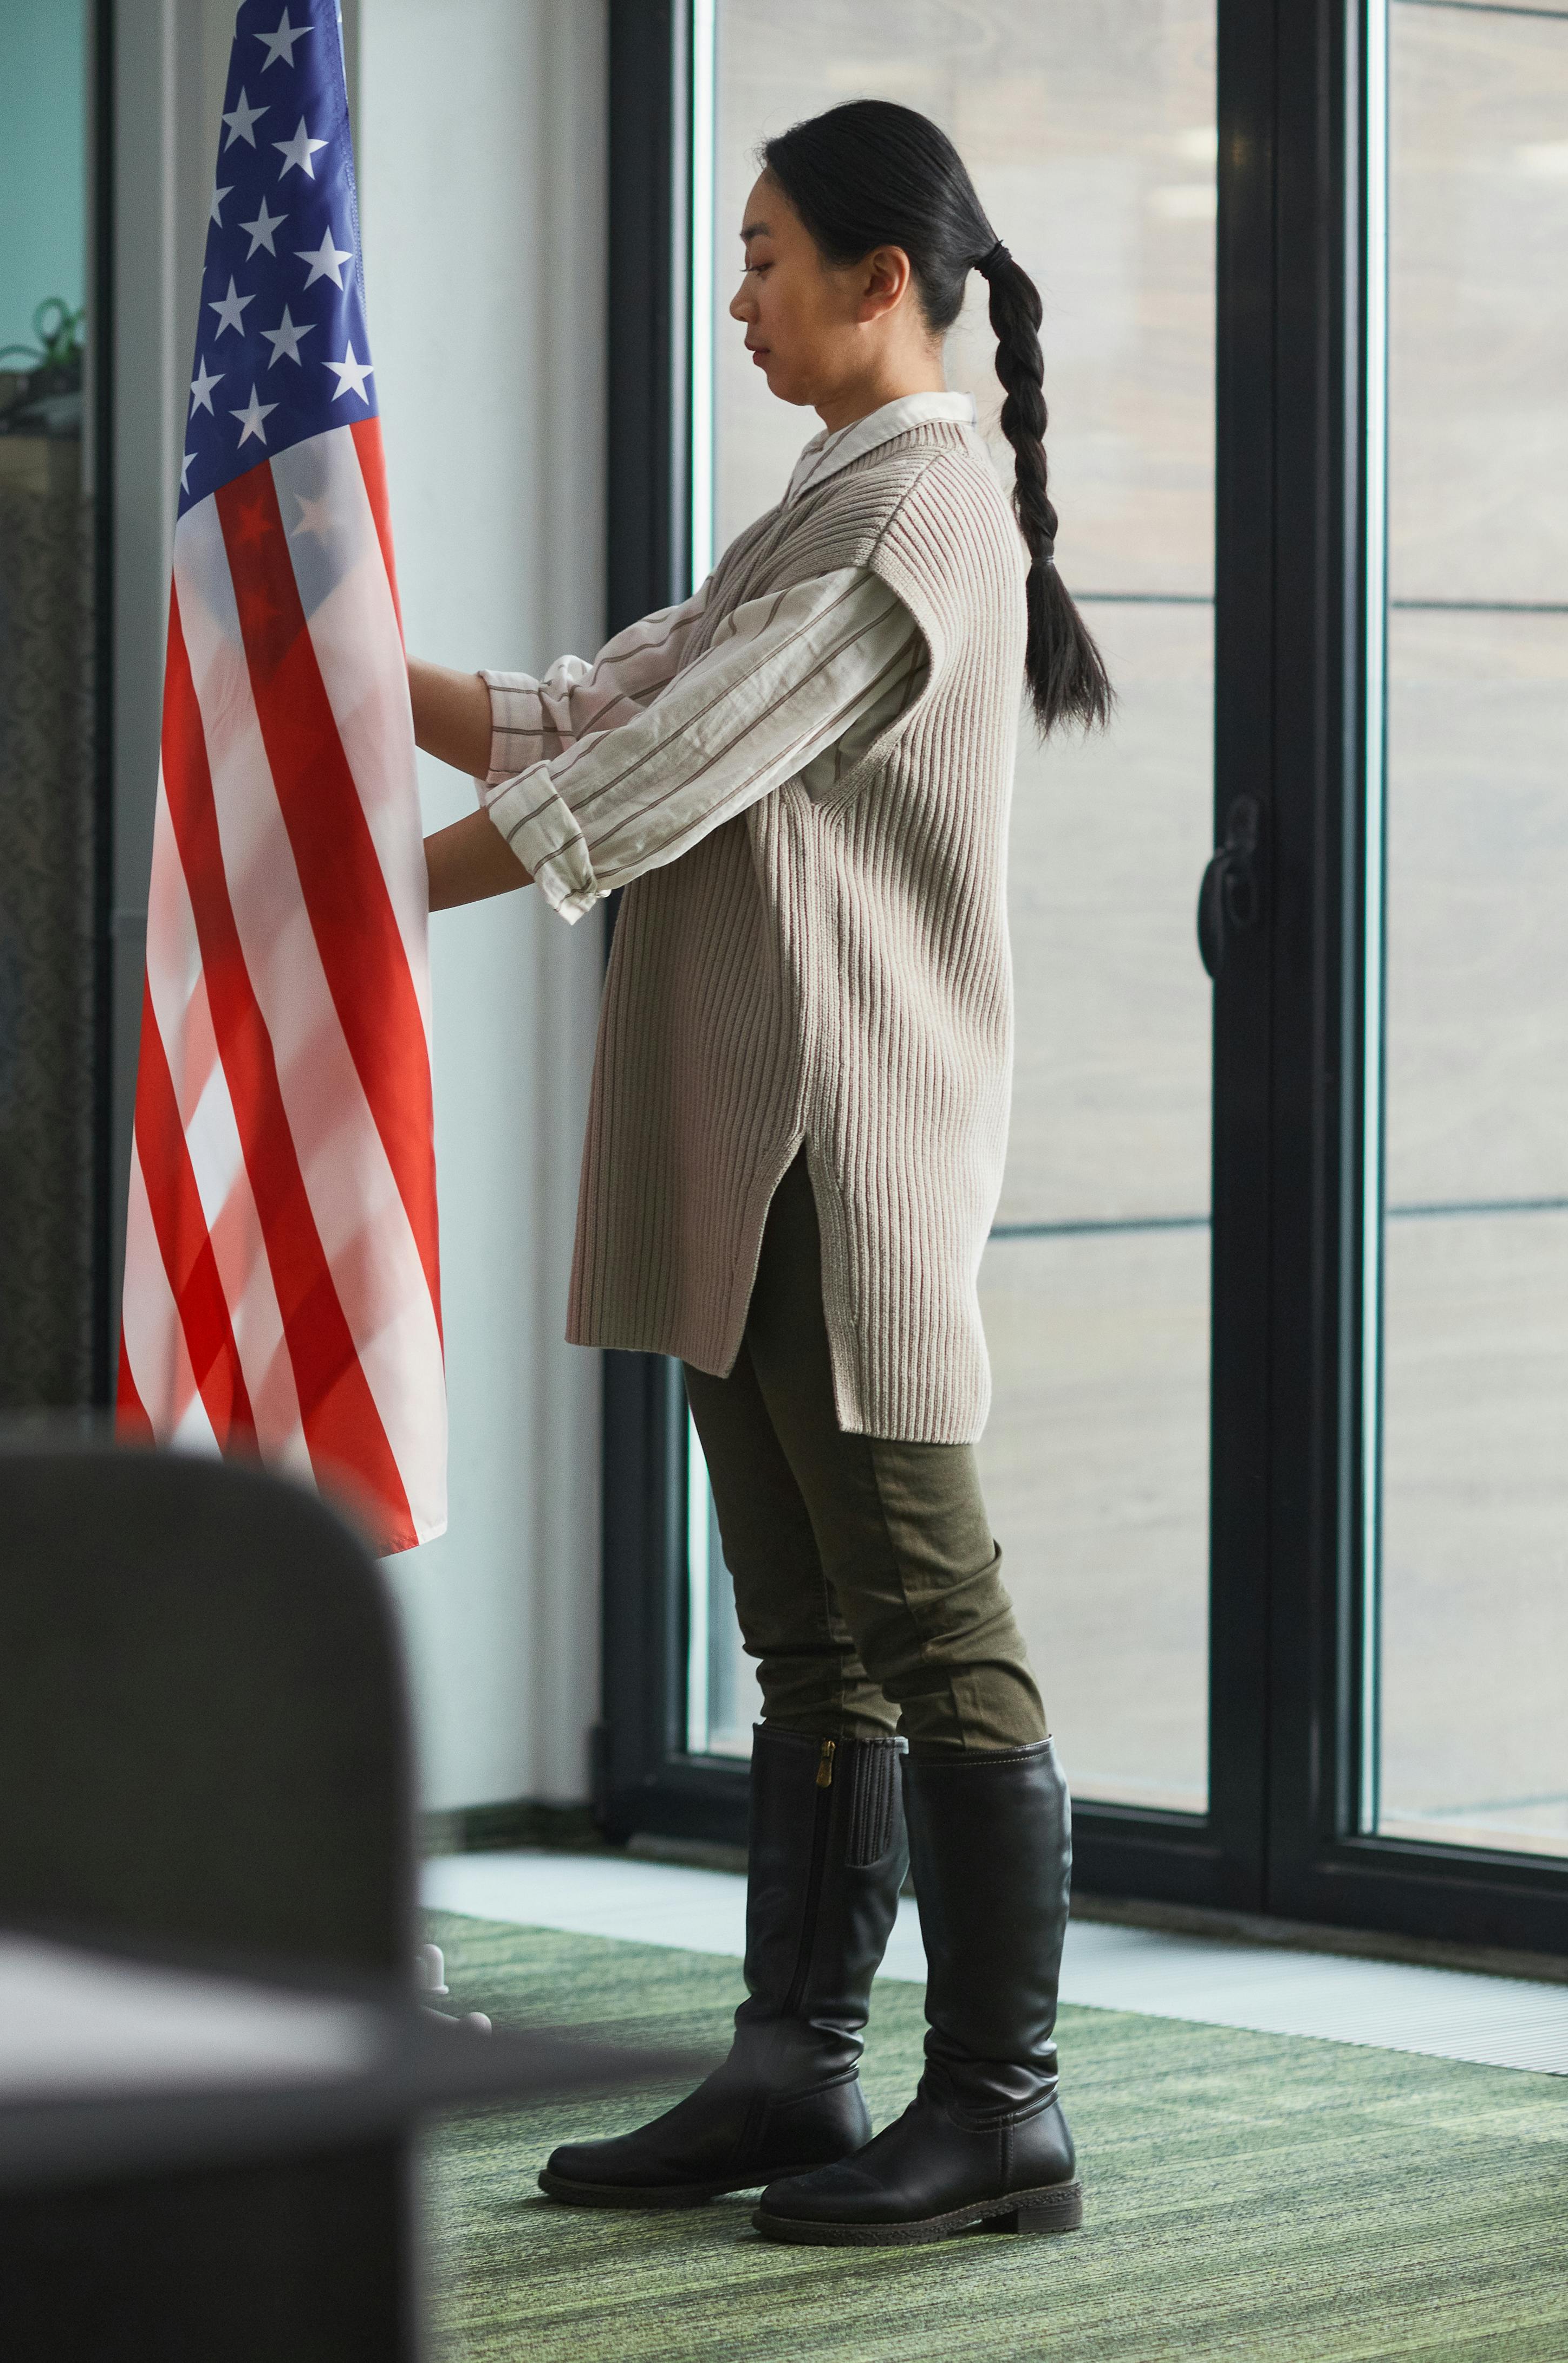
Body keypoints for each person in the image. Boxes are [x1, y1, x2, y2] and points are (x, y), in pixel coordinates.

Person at [412, 97, 1110, 2246]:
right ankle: (795, 2063)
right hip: (745, 1130)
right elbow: (581, 708)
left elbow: (669, 764)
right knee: (804, 1636)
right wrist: (319, 669)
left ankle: (1000, 2102)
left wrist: (359, 907)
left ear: (877, 279)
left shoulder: (920, 517)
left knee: (922, 1606)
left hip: (847, 1138)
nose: (734, 295)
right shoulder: (818, 507)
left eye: (763, 252)